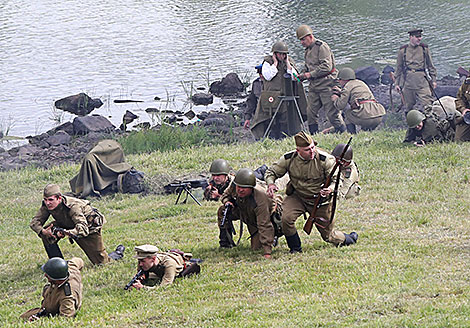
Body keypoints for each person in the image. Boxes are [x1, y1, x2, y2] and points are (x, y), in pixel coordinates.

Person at [265, 131, 357, 253]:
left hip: (320, 201)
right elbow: (271, 172)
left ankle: (349, 238)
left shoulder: (326, 160)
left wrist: (330, 189)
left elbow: (337, 179)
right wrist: (271, 183)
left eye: (313, 147)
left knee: (328, 236)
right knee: (285, 219)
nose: (312, 151)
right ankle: (295, 248)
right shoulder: (289, 158)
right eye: (308, 149)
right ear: (298, 151)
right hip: (298, 197)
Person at [30, 184, 124, 265]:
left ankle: (117, 253)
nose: (47, 203)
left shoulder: (74, 206)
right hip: (68, 223)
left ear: (59, 198)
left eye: (50, 200)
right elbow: (34, 222)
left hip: (88, 226)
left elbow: (83, 229)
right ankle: (58, 264)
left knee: (101, 262)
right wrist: (43, 232)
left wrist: (66, 232)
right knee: (47, 232)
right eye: (45, 200)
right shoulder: (47, 205)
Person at [249, 41, 307, 140]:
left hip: (285, 96)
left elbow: (294, 77)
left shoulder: (288, 63)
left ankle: (284, 137)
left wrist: (288, 64)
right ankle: (270, 137)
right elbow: (268, 76)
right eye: (280, 54)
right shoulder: (267, 63)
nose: (282, 56)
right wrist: (275, 63)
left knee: (285, 118)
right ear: (275, 54)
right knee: (269, 118)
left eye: (284, 54)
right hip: (271, 97)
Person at [217, 168, 280, 258]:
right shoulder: (234, 186)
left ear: (251, 188)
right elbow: (225, 195)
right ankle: (225, 243)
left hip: (265, 217)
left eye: (244, 188)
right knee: (222, 210)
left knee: (257, 248)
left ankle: (273, 237)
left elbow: (264, 224)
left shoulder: (260, 198)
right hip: (246, 213)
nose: (240, 190)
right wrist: (227, 201)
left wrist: (267, 252)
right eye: (239, 187)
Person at [296, 24, 346, 134]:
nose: (302, 42)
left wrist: (310, 74)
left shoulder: (321, 47)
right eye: (300, 40)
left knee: (332, 114)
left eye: (303, 39)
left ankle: (342, 132)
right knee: (310, 113)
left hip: (326, 84)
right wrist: (302, 75)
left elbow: (326, 66)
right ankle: (313, 136)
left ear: (310, 36)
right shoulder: (308, 50)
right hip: (314, 86)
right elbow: (308, 66)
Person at [332, 68, 386, 133]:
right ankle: (366, 133)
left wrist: (336, 99)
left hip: (366, 117)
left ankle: (352, 134)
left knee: (347, 113)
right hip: (378, 115)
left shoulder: (347, 87)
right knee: (366, 127)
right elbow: (356, 95)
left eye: (339, 79)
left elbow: (340, 105)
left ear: (344, 79)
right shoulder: (361, 83)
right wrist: (341, 92)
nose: (339, 82)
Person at [394, 28, 437, 112]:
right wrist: (397, 84)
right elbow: (398, 68)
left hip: (422, 82)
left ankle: (428, 122)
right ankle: (411, 122)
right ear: (411, 37)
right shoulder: (403, 50)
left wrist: (434, 80)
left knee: (428, 104)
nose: (419, 39)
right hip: (408, 83)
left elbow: (430, 66)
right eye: (417, 37)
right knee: (408, 106)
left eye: (420, 36)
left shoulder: (424, 49)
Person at [129, 245, 200, 289]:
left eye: (143, 261)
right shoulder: (142, 263)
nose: (140, 264)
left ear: (153, 259)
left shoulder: (169, 264)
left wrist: (143, 287)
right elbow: (141, 274)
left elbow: (164, 287)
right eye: (139, 261)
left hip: (176, 260)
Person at [243, 64, 264, 130]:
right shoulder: (256, 83)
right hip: (259, 115)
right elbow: (251, 101)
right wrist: (247, 118)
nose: (261, 75)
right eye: (259, 73)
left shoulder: (275, 84)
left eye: (263, 73)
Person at [455, 74, 470, 141]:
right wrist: (463, 109)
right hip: (468, 115)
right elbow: (459, 98)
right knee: (459, 139)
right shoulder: (467, 83)